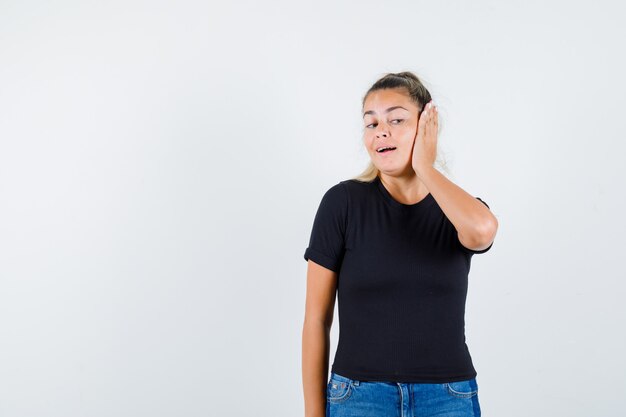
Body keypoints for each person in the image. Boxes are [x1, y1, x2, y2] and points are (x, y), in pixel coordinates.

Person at [301, 71, 498, 417]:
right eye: (371, 123)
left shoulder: (454, 209)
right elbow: (316, 319)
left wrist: (425, 166)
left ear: (426, 127)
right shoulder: (342, 203)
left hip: (448, 398)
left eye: (396, 119)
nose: (381, 131)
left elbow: (483, 232)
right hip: (359, 398)